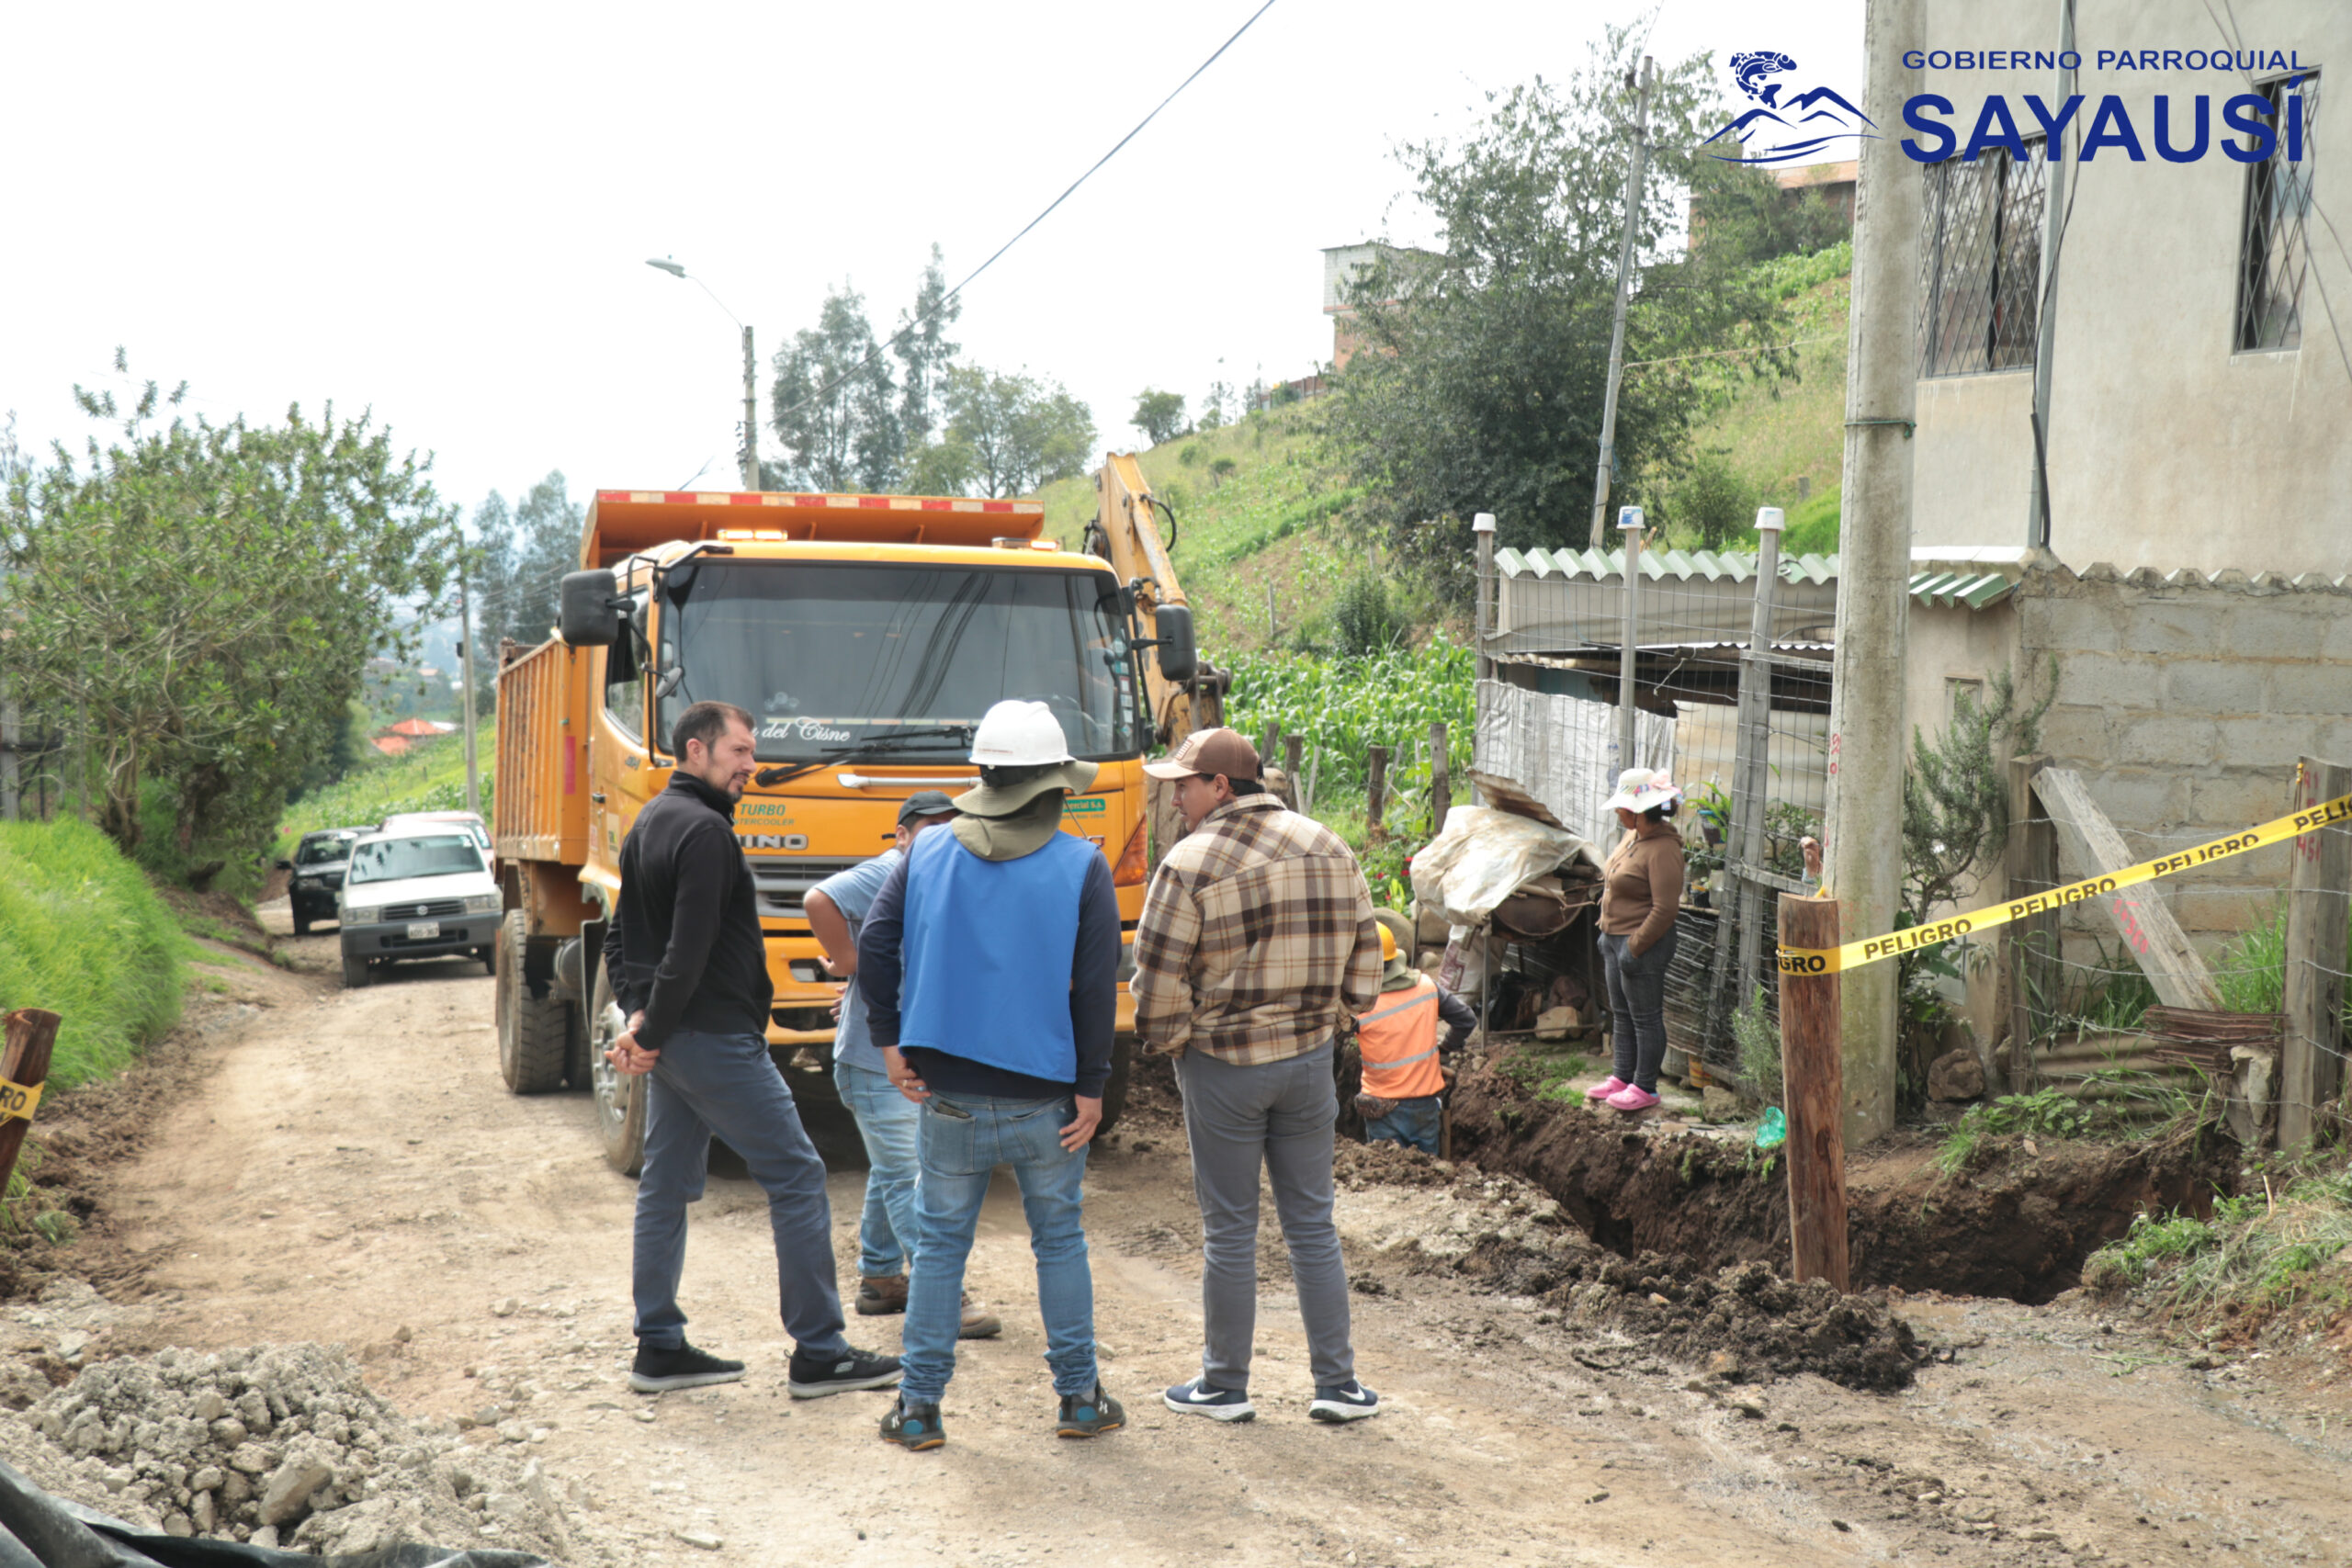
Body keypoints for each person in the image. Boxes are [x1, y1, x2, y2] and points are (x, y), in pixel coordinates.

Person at [601, 700, 903, 1399]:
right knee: (798, 1174)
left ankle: (660, 1345)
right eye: (739, 751)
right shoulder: (705, 833)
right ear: (696, 750)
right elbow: (686, 951)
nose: (751, 764)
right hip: (710, 1038)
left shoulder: (650, 822)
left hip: (679, 1037)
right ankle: (820, 1352)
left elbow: (622, 942)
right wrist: (646, 1029)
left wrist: (643, 1018)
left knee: (666, 1184)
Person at [858, 701, 1126, 1450]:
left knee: (940, 1247)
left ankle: (918, 1408)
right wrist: (1094, 1085)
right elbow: (1098, 986)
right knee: (1060, 1240)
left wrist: (889, 1040)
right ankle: (1079, 1398)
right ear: (1049, 787)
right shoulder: (1082, 863)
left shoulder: (927, 851)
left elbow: (875, 946)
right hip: (1049, 1099)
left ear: (984, 777)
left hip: (946, 1097)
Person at [1132, 728, 1385, 1426]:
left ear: (1221, 786)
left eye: (1183, 783)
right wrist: (1329, 1019)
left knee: (1231, 1229)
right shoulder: (1328, 845)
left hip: (1222, 1067)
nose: (1175, 796)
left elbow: (1154, 985)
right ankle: (1338, 1385)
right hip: (1307, 1067)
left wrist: (1178, 1041)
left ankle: (1225, 1385)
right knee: (1312, 1224)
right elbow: (1368, 971)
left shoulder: (1187, 863)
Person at [804, 793, 1003, 1342]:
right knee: (909, 1175)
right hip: (873, 1062)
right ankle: (945, 1294)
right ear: (901, 836)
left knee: (895, 1167)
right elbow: (819, 899)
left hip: (904, 1057)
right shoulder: (893, 869)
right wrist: (852, 963)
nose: (942, 837)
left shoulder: (948, 879)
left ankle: (881, 1278)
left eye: (951, 828)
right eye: (930, 828)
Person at [1584, 767, 1687, 1114]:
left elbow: (1665, 909)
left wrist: (1635, 947)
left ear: (1640, 811)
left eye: (1623, 805)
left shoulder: (1663, 849)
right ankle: (1621, 1077)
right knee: (1622, 1014)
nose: (1617, 811)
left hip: (1642, 944)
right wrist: (1605, 935)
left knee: (1645, 1017)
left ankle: (1645, 1086)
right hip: (1614, 939)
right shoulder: (1633, 837)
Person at [1351, 917, 1476, 1156]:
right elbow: (1466, 1020)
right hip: (1425, 1106)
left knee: (1386, 1174)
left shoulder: (1358, 1006)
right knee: (1428, 1172)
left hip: (1382, 1108)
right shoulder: (1427, 987)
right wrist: (1445, 1051)